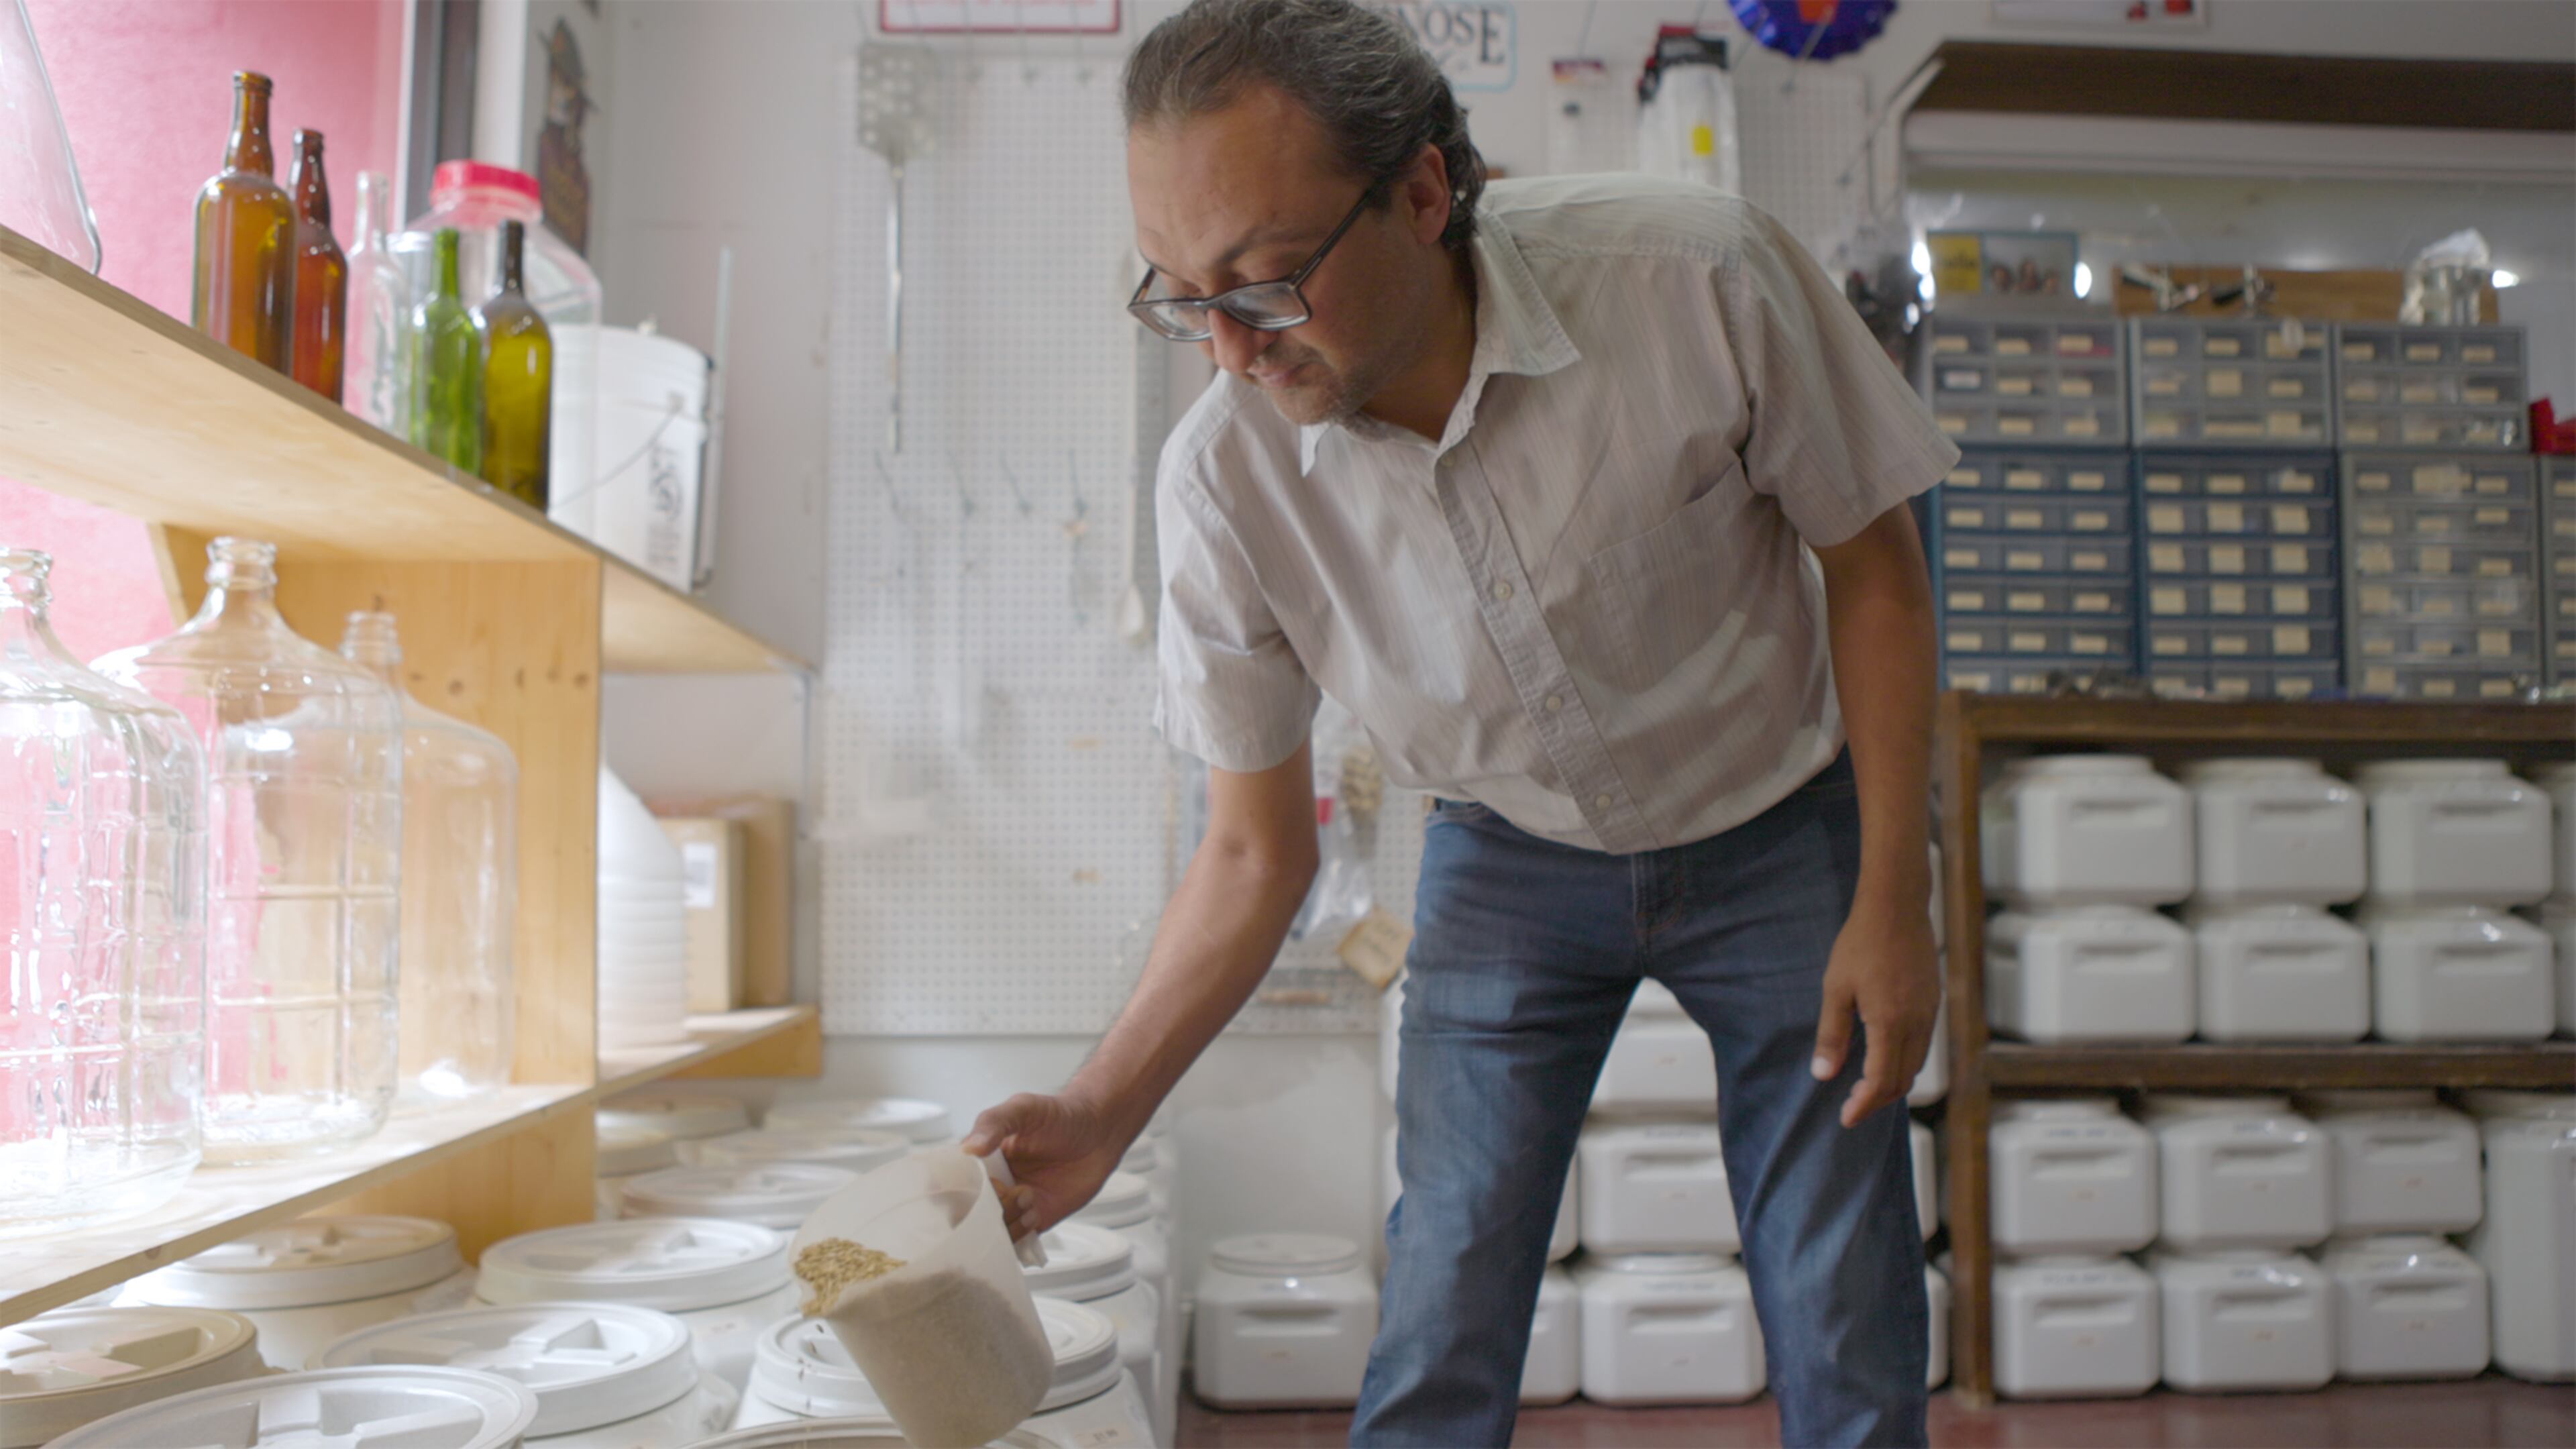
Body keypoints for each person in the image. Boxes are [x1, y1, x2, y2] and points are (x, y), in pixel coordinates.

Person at [962, 1, 1954, 1443]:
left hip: (1781, 827)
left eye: (1266, 282)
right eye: (1182, 295)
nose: (1230, 354)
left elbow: (1874, 568)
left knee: (1842, 1300)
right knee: (1444, 1299)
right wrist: (1101, 1112)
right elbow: (1254, 856)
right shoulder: (1223, 486)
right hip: (1509, 858)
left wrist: (1894, 893)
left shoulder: (1697, 280)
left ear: (1423, 192)